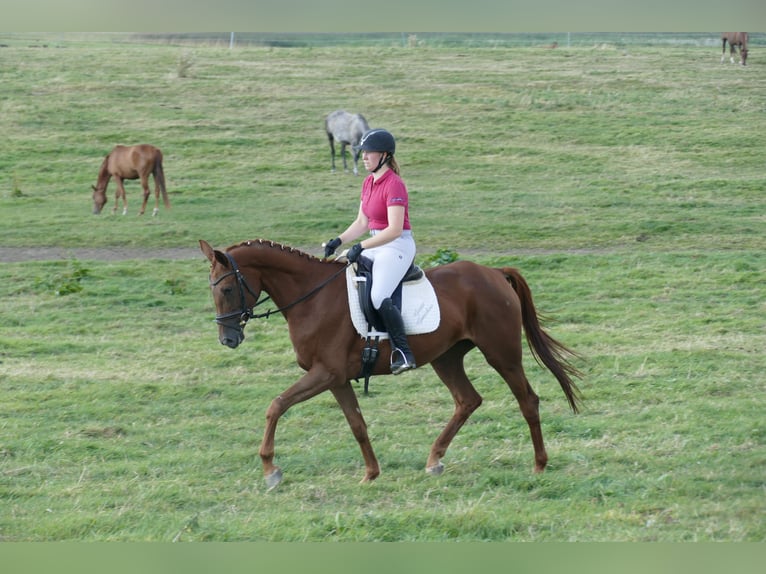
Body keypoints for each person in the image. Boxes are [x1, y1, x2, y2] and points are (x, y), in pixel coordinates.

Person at [323, 128, 416, 374]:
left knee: (377, 296)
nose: (363, 157)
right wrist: (338, 241)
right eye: (362, 153)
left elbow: (395, 229)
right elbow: (363, 223)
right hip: (377, 244)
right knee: (341, 272)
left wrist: (360, 247)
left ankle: (403, 352)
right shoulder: (368, 182)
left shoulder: (394, 185)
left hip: (396, 246)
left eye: (368, 153)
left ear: (384, 155)